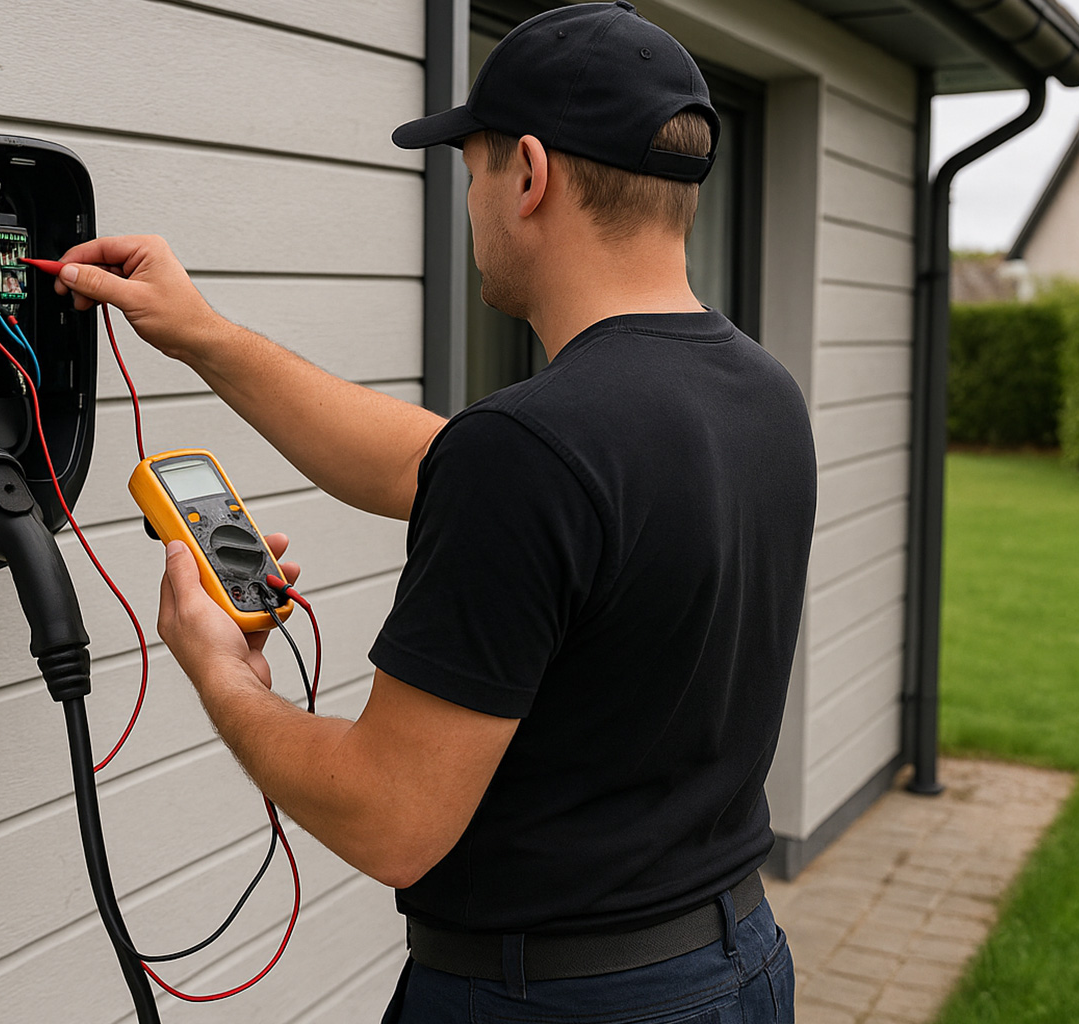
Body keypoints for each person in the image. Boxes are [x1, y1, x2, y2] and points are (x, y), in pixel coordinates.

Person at [53, 3, 814, 1020]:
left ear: (529, 175)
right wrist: (203, 335)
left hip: (558, 1002)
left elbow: (389, 819)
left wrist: (220, 671)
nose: (471, 204)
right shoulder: (760, 394)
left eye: (472, 171)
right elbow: (443, 462)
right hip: (737, 964)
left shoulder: (534, 452)